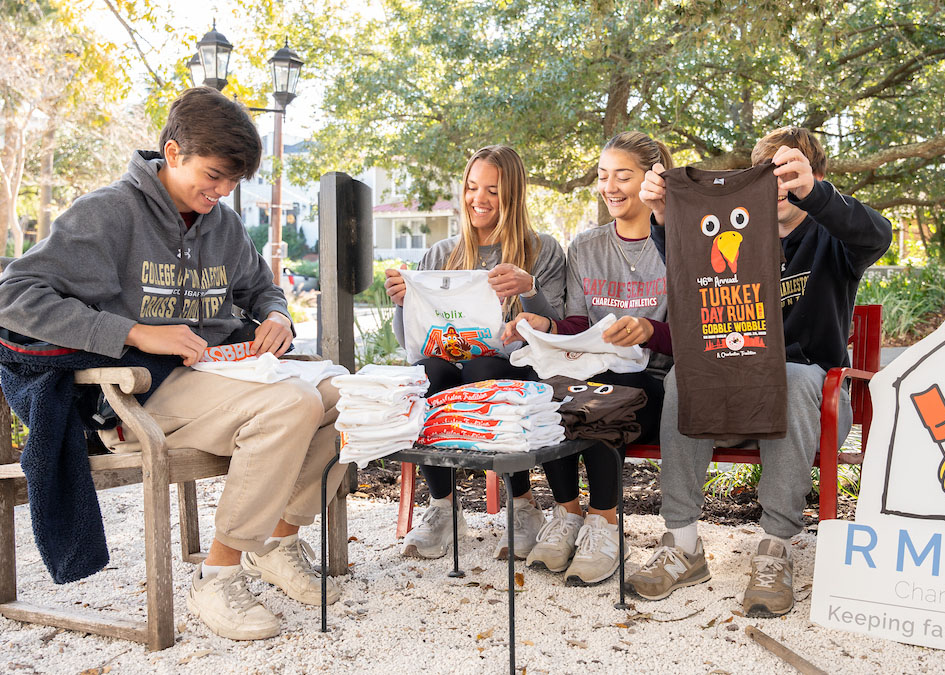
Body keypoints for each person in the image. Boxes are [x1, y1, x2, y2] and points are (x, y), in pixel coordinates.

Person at [0, 87, 347, 640]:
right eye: (213, 175)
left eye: (233, 181)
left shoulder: (224, 225)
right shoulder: (108, 214)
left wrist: (277, 315)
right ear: (173, 152)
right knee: (292, 403)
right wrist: (135, 332)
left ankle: (277, 545)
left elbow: (262, 289)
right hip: (136, 392)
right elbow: (14, 295)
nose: (222, 191)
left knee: (344, 396)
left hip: (217, 376)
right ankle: (219, 575)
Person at [625, 126, 891, 616]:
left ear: (815, 177)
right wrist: (662, 214)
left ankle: (775, 549)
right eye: (768, 174)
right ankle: (682, 544)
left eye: (790, 174)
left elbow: (877, 232)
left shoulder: (834, 238)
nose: (779, 185)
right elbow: (684, 259)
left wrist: (816, 195)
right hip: (733, 393)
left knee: (790, 379)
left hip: (809, 394)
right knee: (685, 377)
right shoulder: (735, 231)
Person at [499, 131, 673, 585]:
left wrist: (651, 330)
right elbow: (577, 324)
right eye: (602, 176)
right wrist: (549, 327)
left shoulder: (680, 245)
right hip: (591, 372)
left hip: (653, 381)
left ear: (654, 179)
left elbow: (699, 334)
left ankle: (606, 522)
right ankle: (568, 514)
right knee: (546, 385)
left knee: (605, 391)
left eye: (623, 176)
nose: (610, 187)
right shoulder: (586, 246)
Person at [386, 145, 567, 561]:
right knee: (428, 371)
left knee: (485, 365)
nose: (478, 199)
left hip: (519, 372)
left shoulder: (543, 250)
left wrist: (531, 290)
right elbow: (410, 343)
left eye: (492, 190)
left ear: (514, 196)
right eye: (471, 187)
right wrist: (401, 303)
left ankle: (521, 506)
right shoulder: (440, 254)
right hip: (449, 369)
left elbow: (557, 329)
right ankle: (442, 508)